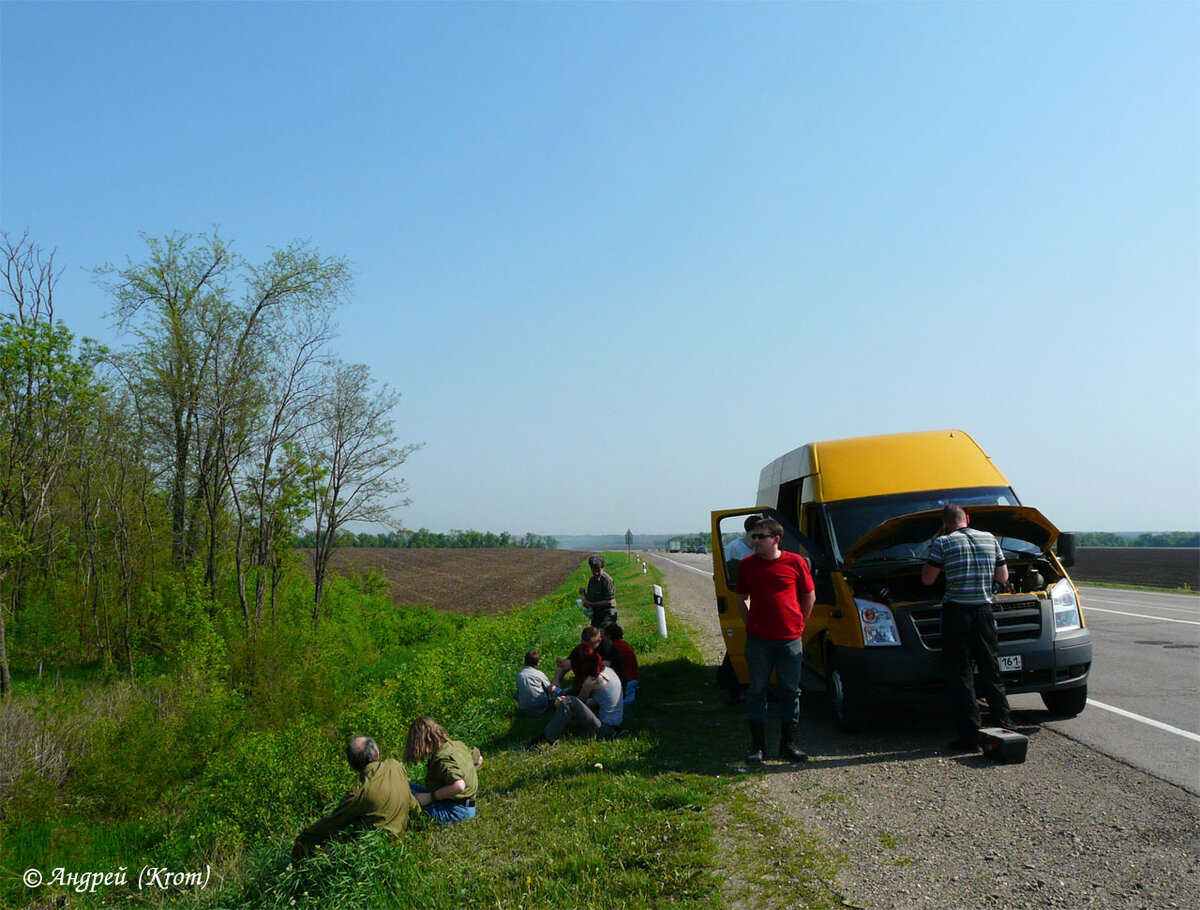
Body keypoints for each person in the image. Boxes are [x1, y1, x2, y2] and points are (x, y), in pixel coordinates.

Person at [921, 503, 1015, 752]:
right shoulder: (990, 539)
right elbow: (1003, 577)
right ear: (968, 519)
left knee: (962, 675)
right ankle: (1005, 725)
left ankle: (970, 736)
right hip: (984, 612)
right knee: (991, 670)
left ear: (946, 524)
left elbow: (927, 579)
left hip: (957, 613)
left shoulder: (944, 543)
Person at [737, 517, 815, 763]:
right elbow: (742, 597)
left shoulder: (795, 562)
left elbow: (809, 594)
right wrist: (750, 623)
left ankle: (788, 745)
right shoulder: (747, 565)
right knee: (757, 691)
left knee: (791, 692)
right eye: (754, 536)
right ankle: (757, 747)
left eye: (761, 537)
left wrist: (799, 624)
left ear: (776, 540)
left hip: (789, 640)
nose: (755, 541)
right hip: (759, 640)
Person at [291, 736, 415, 859]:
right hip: (401, 844)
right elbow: (411, 800)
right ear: (377, 754)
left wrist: (303, 837)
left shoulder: (358, 793)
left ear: (352, 765)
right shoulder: (395, 766)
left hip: (377, 852)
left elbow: (332, 823)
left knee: (306, 845)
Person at [528, 656, 624, 748]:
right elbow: (597, 702)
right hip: (615, 723)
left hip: (605, 729)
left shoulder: (591, 681)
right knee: (570, 695)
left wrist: (563, 701)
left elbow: (578, 702)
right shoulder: (608, 670)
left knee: (569, 702)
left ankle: (547, 738)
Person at [403, 717, 483, 823]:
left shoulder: (443, 758)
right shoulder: (456, 745)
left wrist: (430, 797)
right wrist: (468, 777)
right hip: (465, 804)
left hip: (457, 811)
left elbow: (459, 786)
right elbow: (479, 760)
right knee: (404, 784)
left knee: (404, 794)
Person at [605, 623, 641, 704]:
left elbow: (607, 665)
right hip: (632, 678)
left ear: (609, 636)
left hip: (628, 680)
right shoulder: (622, 644)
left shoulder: (615, 648)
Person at [579, 554, 618, 627]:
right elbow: (590, 599)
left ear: (603, 568)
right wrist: (584, 595)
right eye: (593, 570)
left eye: (598, 570)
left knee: (605, 635)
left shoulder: (607, 580)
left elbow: (609, 602)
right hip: (596, 615)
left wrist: (590, 604)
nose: (596, 573)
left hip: (607, 614)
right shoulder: (591, 581)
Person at [515, 649, 556, 716]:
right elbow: (549, 688)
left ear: (524, 662)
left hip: (525, 710)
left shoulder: (518, 675)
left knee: (517, 693)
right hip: (542, 706)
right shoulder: (539, 674)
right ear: (537, 664)